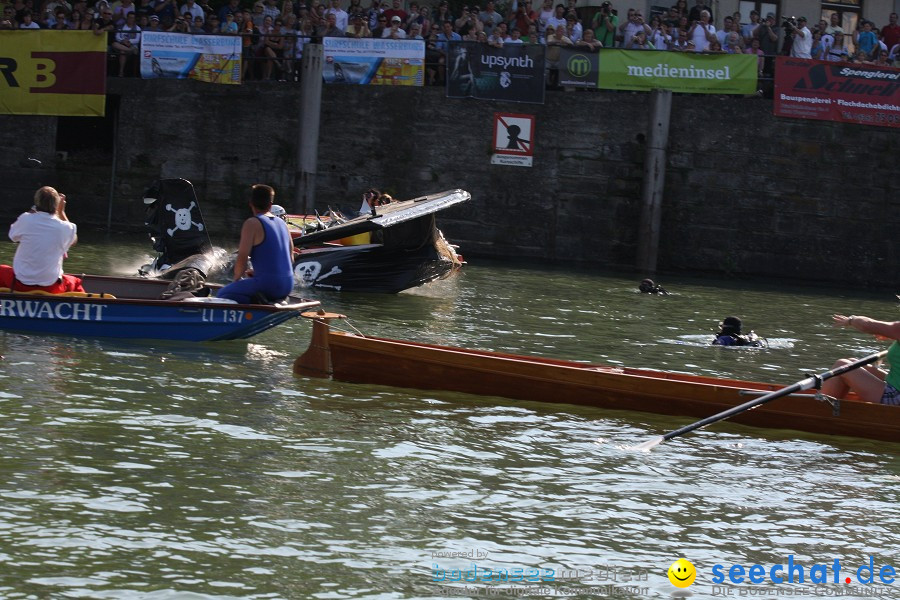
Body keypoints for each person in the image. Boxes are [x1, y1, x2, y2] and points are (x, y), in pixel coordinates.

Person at [217, 184, 294, 304]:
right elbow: (291, 259)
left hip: (268, 285)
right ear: (270, 205)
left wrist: (237, 280)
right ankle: (274, 299)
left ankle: (262, 300)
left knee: (223, 294)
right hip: (288, 286)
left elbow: (242, 258)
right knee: (254, 286)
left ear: (251, 203)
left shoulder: (252, 223)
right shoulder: (283, 224)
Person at [3, 186, 82, 294]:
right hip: (51, 286)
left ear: (36, 202)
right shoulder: (66, 227)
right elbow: (74, 240)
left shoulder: (26, 219)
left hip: (19, 283)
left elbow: (12, 236)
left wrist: (33, 209)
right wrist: (61, 212)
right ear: (57, 204)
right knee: (76, 283)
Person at [819, 313, 900, 406]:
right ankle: (833, 409)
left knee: (841, 366)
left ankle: (819, 410)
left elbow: (867, 325)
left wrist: (851, 320)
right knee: (853, 362)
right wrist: (890, 334)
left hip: (896, 397)